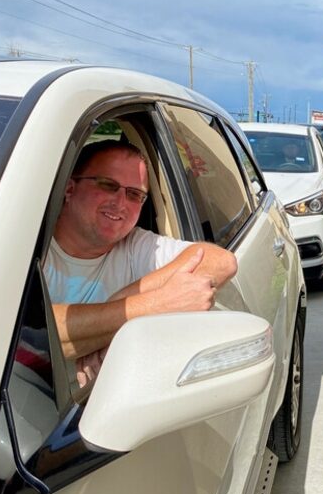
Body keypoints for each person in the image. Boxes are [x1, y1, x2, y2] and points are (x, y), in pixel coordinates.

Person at [44, 140, 238, 386]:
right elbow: (31, 332)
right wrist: (155, 305)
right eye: (107, 185)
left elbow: (221, 262)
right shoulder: (29, 247)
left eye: (134, 194)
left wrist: (108, 317)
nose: (121, 203)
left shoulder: (135, 245)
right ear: (70, 188)